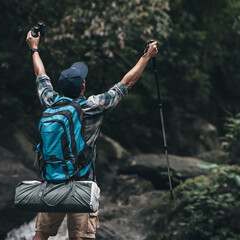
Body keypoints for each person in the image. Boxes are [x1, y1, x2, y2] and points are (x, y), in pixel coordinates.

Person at [26, 31, 158, 240]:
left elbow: (40, 75)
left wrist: (34, 47)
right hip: (82, 183)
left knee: (41, 235)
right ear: (83, 86)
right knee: (80, 237)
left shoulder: (50, 100)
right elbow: (126, 84)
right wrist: (146, 57)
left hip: (53, 180)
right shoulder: (93, 106)